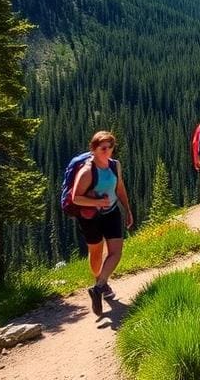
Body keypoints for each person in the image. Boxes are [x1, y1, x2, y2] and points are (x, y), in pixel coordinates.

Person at [71, 131, 133, 317]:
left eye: (110, 147)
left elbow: (119, 186)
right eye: (103, 148)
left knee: (116, 252)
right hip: (90, 218)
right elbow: (76, 198)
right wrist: (97, 203)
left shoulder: (115, 166)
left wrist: (127, 209)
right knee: (96, 252)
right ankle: (101, 282)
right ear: (94, 149)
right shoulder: (87, 172)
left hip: (112, 212)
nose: (107, 151)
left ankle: (98, 288)